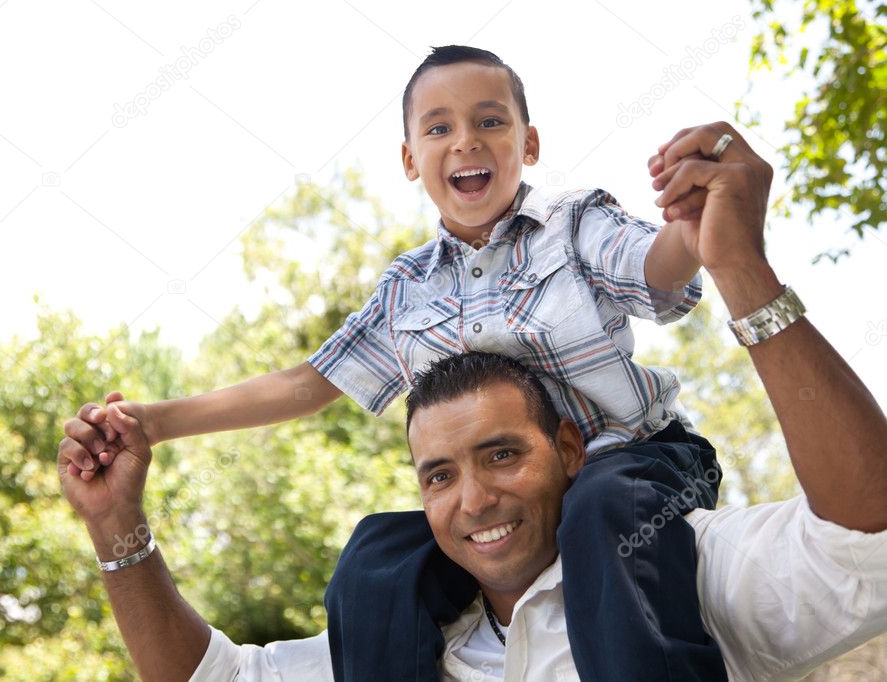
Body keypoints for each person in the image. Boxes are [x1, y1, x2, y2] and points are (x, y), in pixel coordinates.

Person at [58, 121, 887, 680]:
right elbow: (308, 383)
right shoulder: (408, 291)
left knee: (602, 512)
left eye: (501, 454)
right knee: (371, 554)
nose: (475, 496)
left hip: (635, 474)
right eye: (438, 473)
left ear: (527, 143)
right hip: (553, 518)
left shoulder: (675, 563)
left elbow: (867, 545)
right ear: (409, 159)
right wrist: (134, 472)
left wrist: (726, 252)